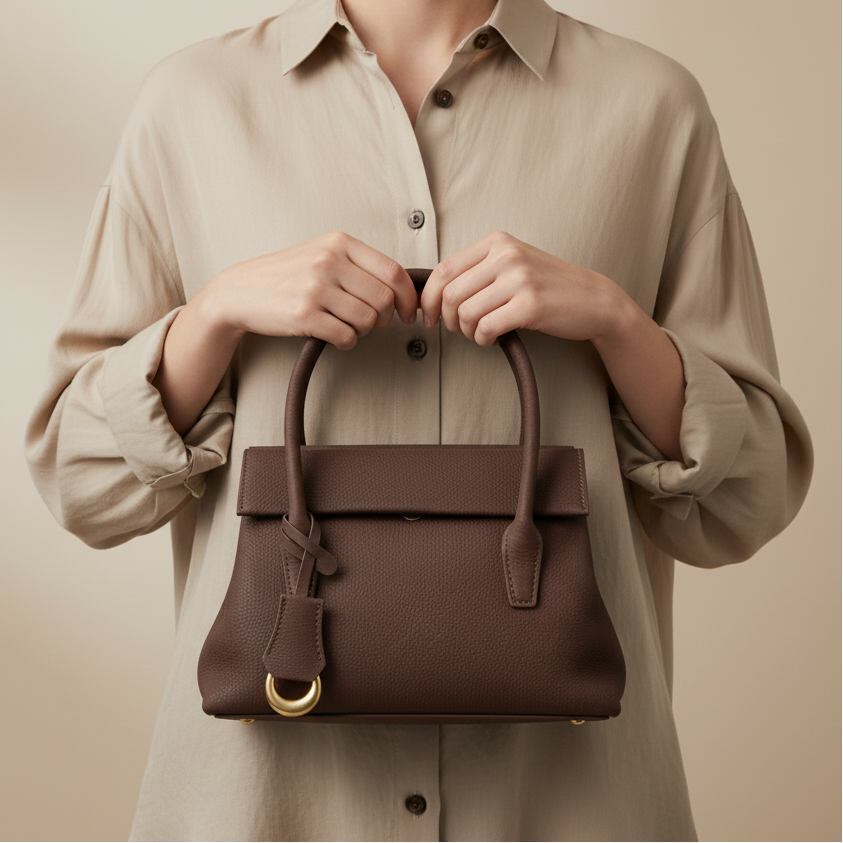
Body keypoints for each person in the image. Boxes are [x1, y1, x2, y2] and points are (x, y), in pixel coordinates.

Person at [24, 0, 813, 839]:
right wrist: (214, 316)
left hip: (571, 802)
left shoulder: (653, 106)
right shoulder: (191, 104)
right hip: (257, 804)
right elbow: (82, 480)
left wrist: (618, 324)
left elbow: (750, 496)